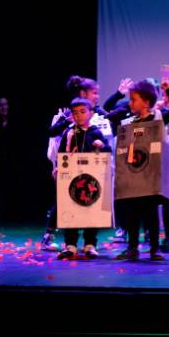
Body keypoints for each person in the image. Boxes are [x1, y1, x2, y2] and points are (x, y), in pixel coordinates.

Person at [114, 80, 169, 261]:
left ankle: (154, 248)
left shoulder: (158, 117)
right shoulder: (129, 121)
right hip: (133, 175)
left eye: (134, 99)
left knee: (151, 214)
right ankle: (132, 247)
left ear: (146, 102)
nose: (130, 103)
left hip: (151, 178)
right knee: (132, 215)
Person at [56, 98, 112, 260]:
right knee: (70, 209)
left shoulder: (95, 132)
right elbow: (61, 153)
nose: (79, 115)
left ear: (90, 113)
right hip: (72, 178)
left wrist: (101, 146)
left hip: (91, 179)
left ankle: (90, 244)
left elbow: (107, 151)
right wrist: (58, 167)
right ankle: (70, 244)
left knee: (91, 209)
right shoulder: (69, 133)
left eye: (82, 112)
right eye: (75, 113)